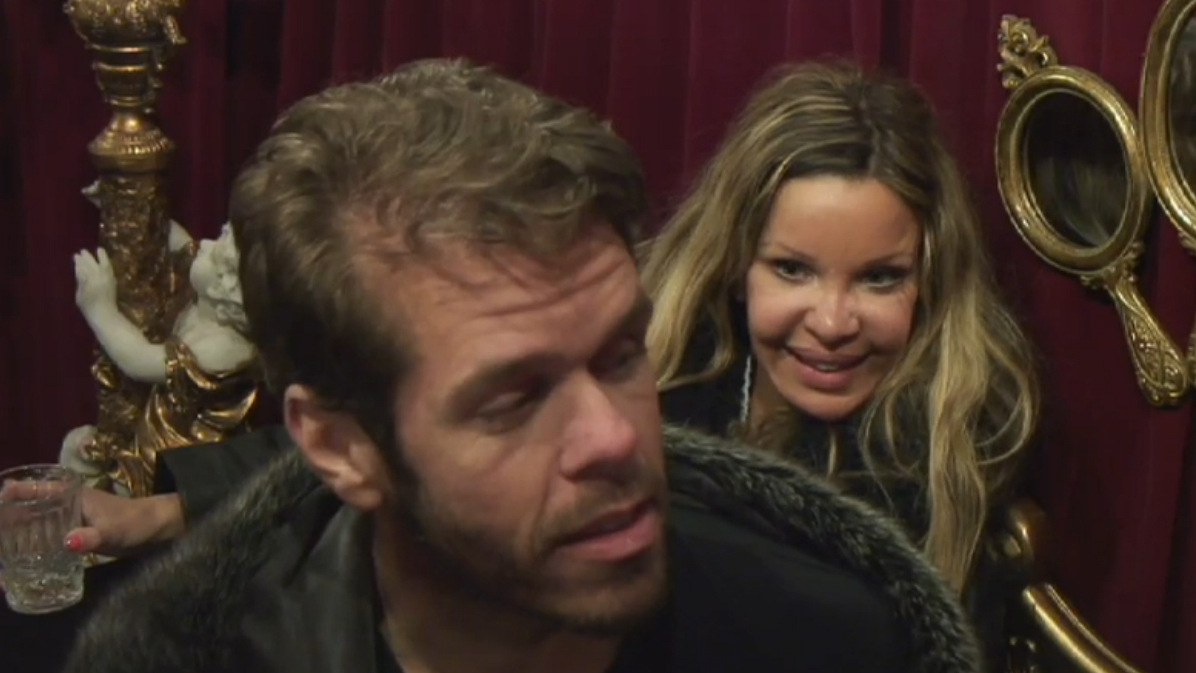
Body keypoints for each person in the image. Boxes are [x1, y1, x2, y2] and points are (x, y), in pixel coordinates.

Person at [61, 59, 978, 673]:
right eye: (514, 398)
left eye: (621, 355)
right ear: (339, 446)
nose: (619, 438)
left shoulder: (830, 639)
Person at [639, 61, 1039, 661]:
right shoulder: (650, 399)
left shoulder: (945, 459)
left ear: (929, 284)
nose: (831, 325)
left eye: (880, 278)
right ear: (736, 266)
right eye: (792, 269)